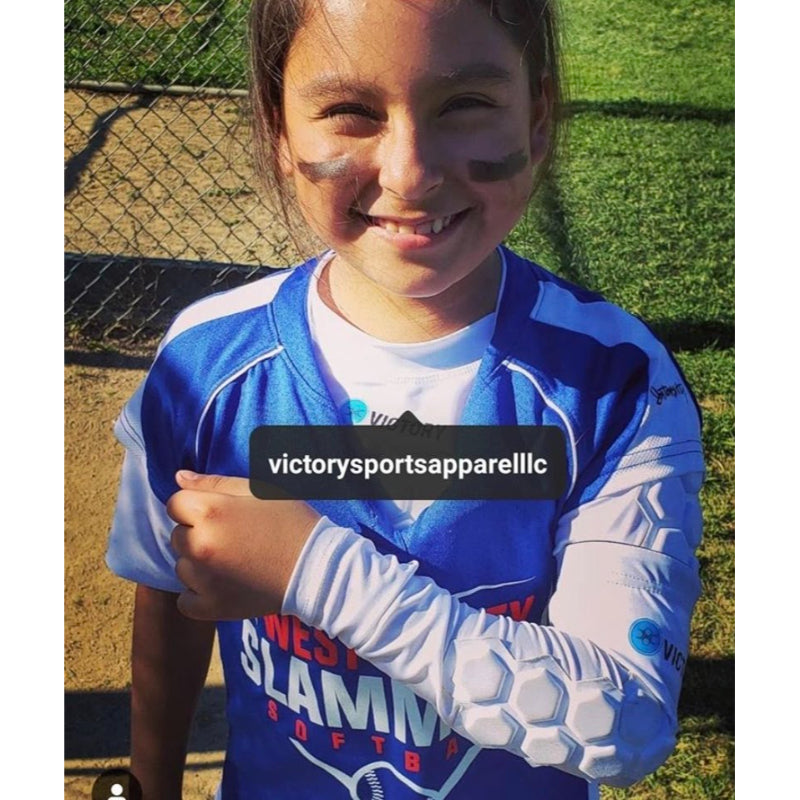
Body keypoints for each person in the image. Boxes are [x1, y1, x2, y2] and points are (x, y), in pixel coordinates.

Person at [106, 1, 705, 798]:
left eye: (464, 104)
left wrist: (315, 573)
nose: (410, 173)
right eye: (350, 112)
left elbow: (622, 721)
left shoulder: (616, 383)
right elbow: (171, 592)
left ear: (537, 120)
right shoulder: (205, 364)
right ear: (278, 128)